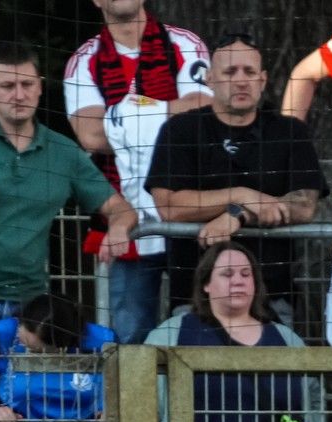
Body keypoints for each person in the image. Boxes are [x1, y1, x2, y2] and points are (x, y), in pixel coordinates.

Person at [0, 44, 134, 349]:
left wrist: (119, 226)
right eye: (7, 86)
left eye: (27, 84)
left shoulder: (64, 152)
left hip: (31, 311)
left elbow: (120, 207)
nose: (19, 94)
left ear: (40, 86)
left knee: (22, 396)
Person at [145, 34, 326, 316]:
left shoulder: (290, 132)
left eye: (249, 72)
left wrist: (238, 213)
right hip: (194, 299)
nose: (241, 80)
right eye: (230, 72)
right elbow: (169, 205)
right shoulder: (180, 130)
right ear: (209, 79)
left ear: (262, 80)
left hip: (272, 299)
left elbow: (303, 205)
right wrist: (242, 195)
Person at [64, 0, 212, 344]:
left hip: (189, 219)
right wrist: (167, 114)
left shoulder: (186, 43)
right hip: (125, 226)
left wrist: (126, 112)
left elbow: (203, 117)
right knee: (130, 339)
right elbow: (91, 135)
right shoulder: (83, 61)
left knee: (197, 332)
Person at [143, 245, 320, 422]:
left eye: (246, 274)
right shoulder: (170, 336)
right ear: (206, 284)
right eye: (227, 274)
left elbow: (313, 406)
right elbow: (144, 409)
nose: (238, 280)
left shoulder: (287, 340)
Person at [0, 294, 115, 422]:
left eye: (39, 351)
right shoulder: (3, 333)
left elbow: (123, 386)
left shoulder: (104, 341)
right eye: (25, 344)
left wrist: (113, 409)